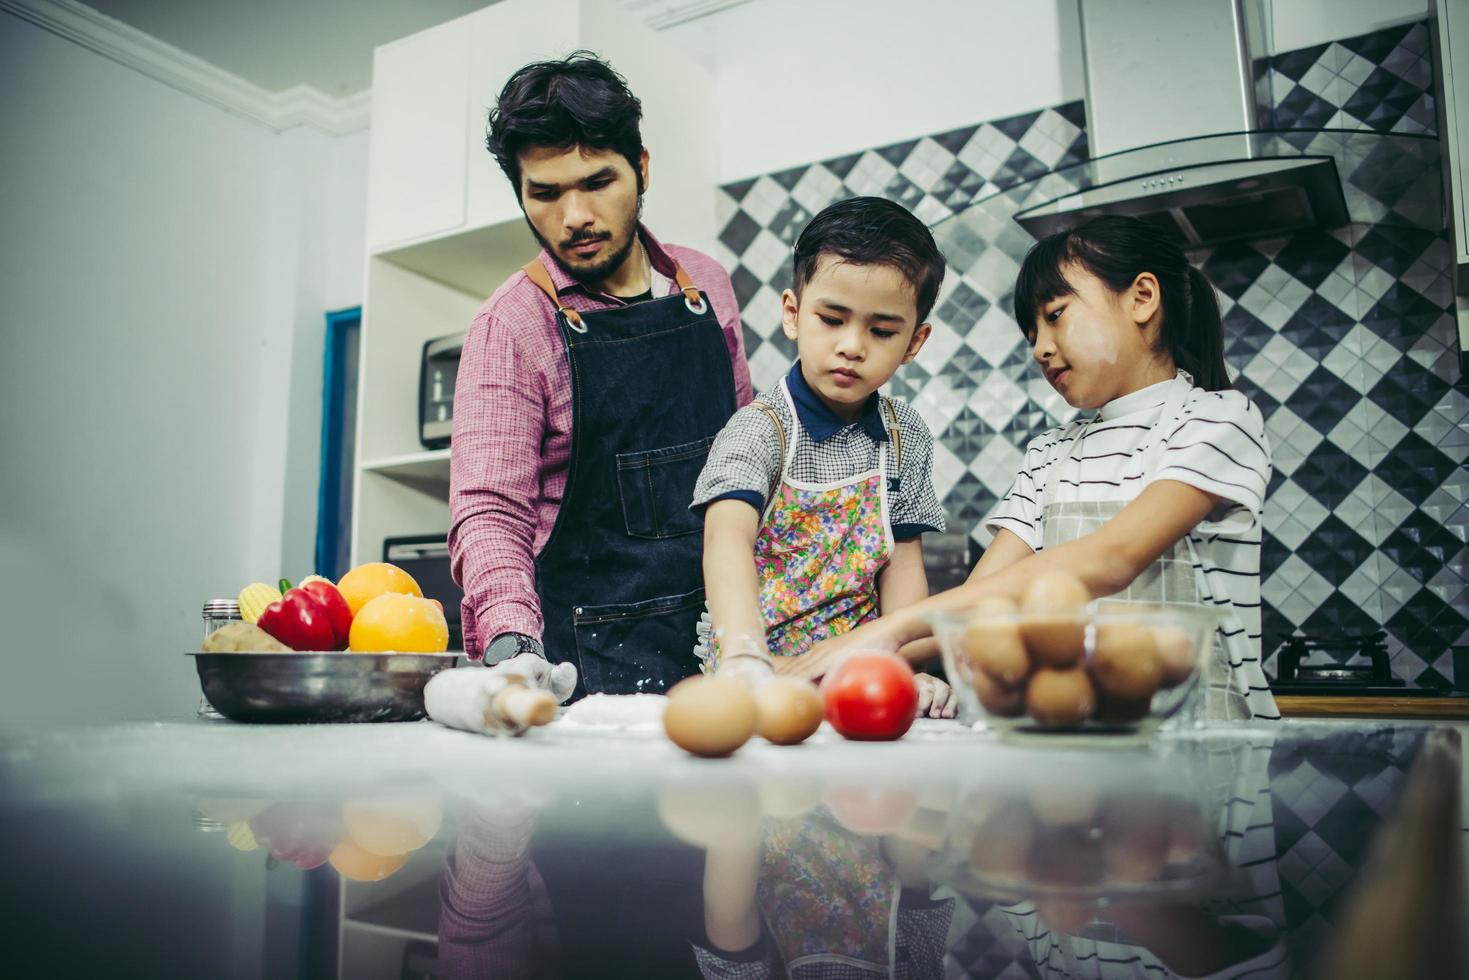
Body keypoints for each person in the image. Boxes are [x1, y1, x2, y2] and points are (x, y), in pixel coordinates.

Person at [783, 215, 1277, 721]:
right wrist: (821, 671)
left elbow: (1112, 559)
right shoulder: (1050, 453)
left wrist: (883, 631)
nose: (1039, 346)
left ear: (1142, 297)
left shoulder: (1216, 419)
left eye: (1056, 315)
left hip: (1210, 749)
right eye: (1031, 330)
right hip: (1079, 753)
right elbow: (971, 609)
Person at [449, 52, 752, 699]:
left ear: (640, 168)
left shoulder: (709, 286)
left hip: (724, 644)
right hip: (580, 670)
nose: (575, 216)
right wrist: (512, 645)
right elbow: (489, 510)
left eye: (596, 181)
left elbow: (747, 462)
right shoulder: (511, 324)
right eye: (546, 193)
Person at [691, 197, 954, 716]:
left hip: (860, 680)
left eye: (881, 331)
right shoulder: (759, 431)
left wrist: (906, 669)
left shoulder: (906, 436)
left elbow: (902, 567)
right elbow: (726, 542)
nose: (852, 346)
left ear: (914, 341)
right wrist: (746, 659)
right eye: (832, 319)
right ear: (793, 314)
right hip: (764, 681)